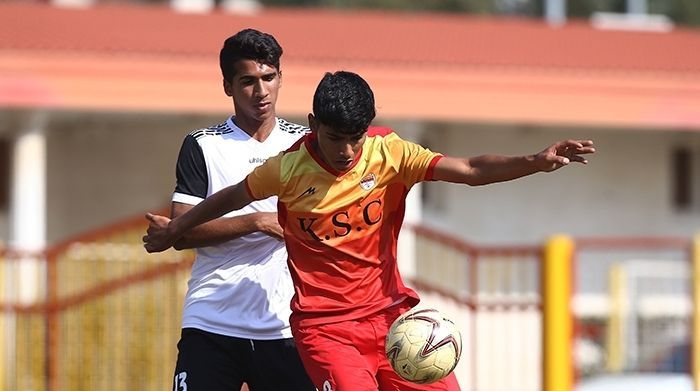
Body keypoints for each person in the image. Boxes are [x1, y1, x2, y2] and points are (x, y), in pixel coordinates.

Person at [145, 71, 595, 390]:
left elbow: (471, 169)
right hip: (326, 330)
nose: (346, 150)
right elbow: (231, 197)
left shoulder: (390, 154)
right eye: (335, 137)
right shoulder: (285, 170)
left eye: (355, 137)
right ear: (314, 125)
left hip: (393, 321)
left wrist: (535, 162)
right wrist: (176, 229)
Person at [167, 28, 314, 391]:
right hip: (211, 323)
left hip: (284, 325)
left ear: (281, 78)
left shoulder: (305, 146)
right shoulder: (203, 145)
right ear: (227, 86)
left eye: (268, 78)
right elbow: (181, 232)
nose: (260, 91)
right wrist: (256, 222)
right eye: (247, 81)